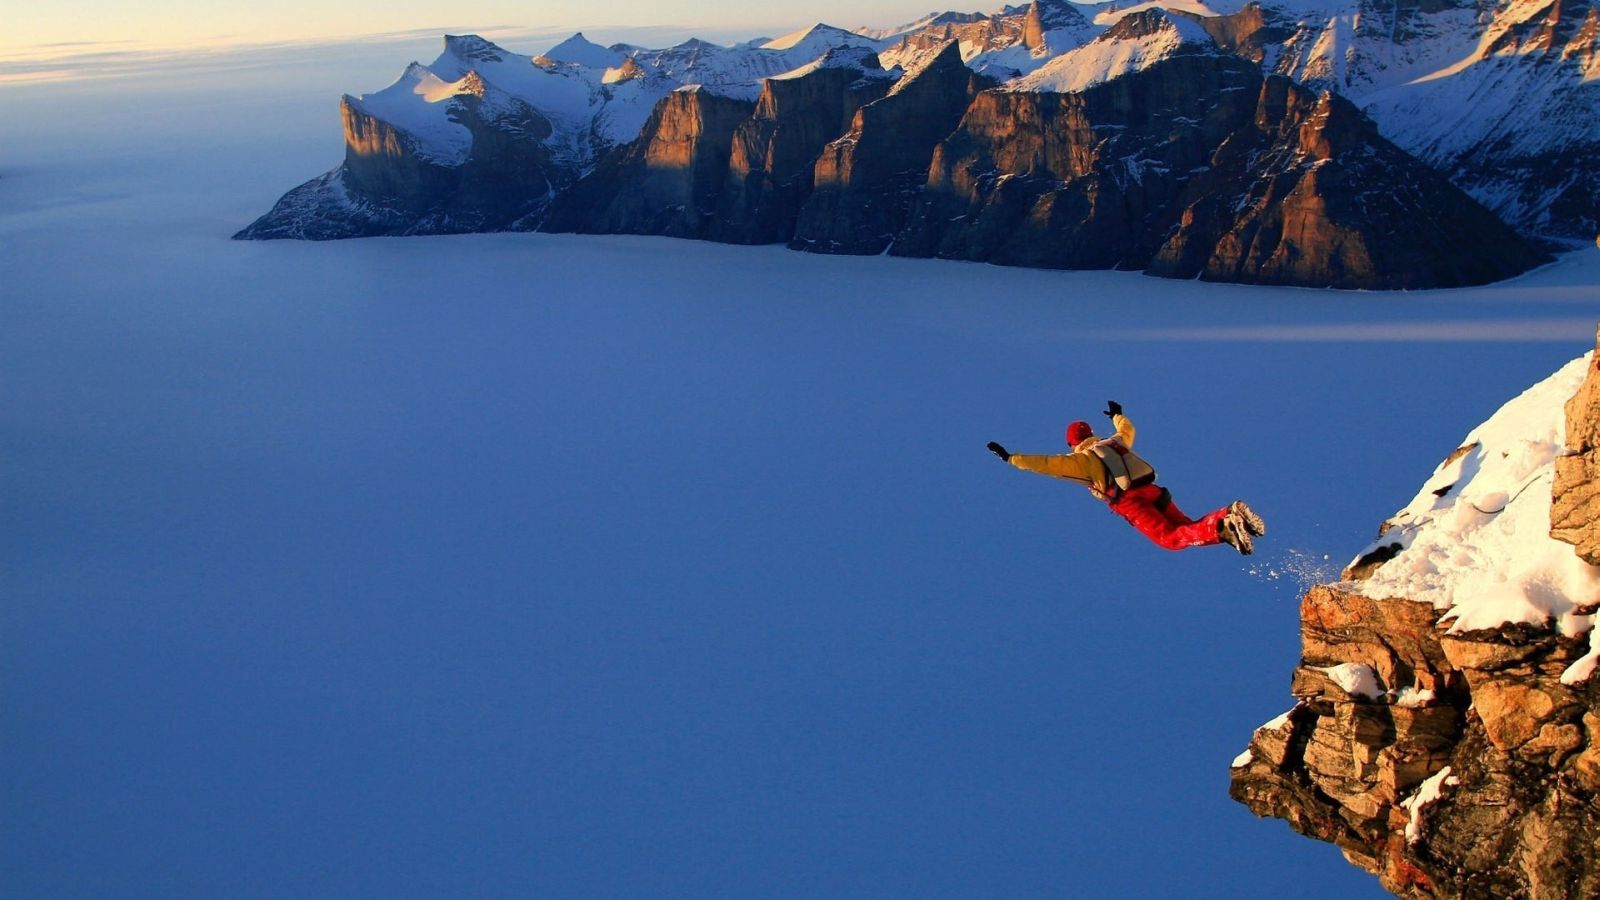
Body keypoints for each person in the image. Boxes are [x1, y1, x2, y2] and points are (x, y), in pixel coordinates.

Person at [986, 400, 1265, 554]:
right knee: (1187, 526)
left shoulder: (1081, 461)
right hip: (1154, 492)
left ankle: (1225, 527)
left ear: (1072, 443)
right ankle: (1227, 514)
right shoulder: (1113, 443)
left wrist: (1012, 458)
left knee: (1170, 539)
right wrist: (1118, 416)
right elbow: (1128, 430)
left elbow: (1047, 464)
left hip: (1131, 502)